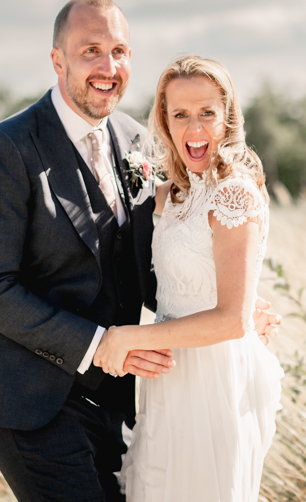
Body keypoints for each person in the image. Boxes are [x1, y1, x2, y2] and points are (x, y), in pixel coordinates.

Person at [0, 0, 279, 502]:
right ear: (58, 59)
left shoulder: (137, 141)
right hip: (31, 397)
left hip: (119, 397)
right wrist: (98, 343)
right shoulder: (6, 147)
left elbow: (143, 266)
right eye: (91, 51)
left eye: (120, 51)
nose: (109, 68)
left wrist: (225, 305)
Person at [96, 55, 284, 502]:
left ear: (228, 117)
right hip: (170, 379)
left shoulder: (233, 191)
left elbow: (231, 321)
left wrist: (127, 339)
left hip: (215, 381)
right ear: (164, 120)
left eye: (207, 114)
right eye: (180, 115)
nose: (194, 130)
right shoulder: (178, 191)